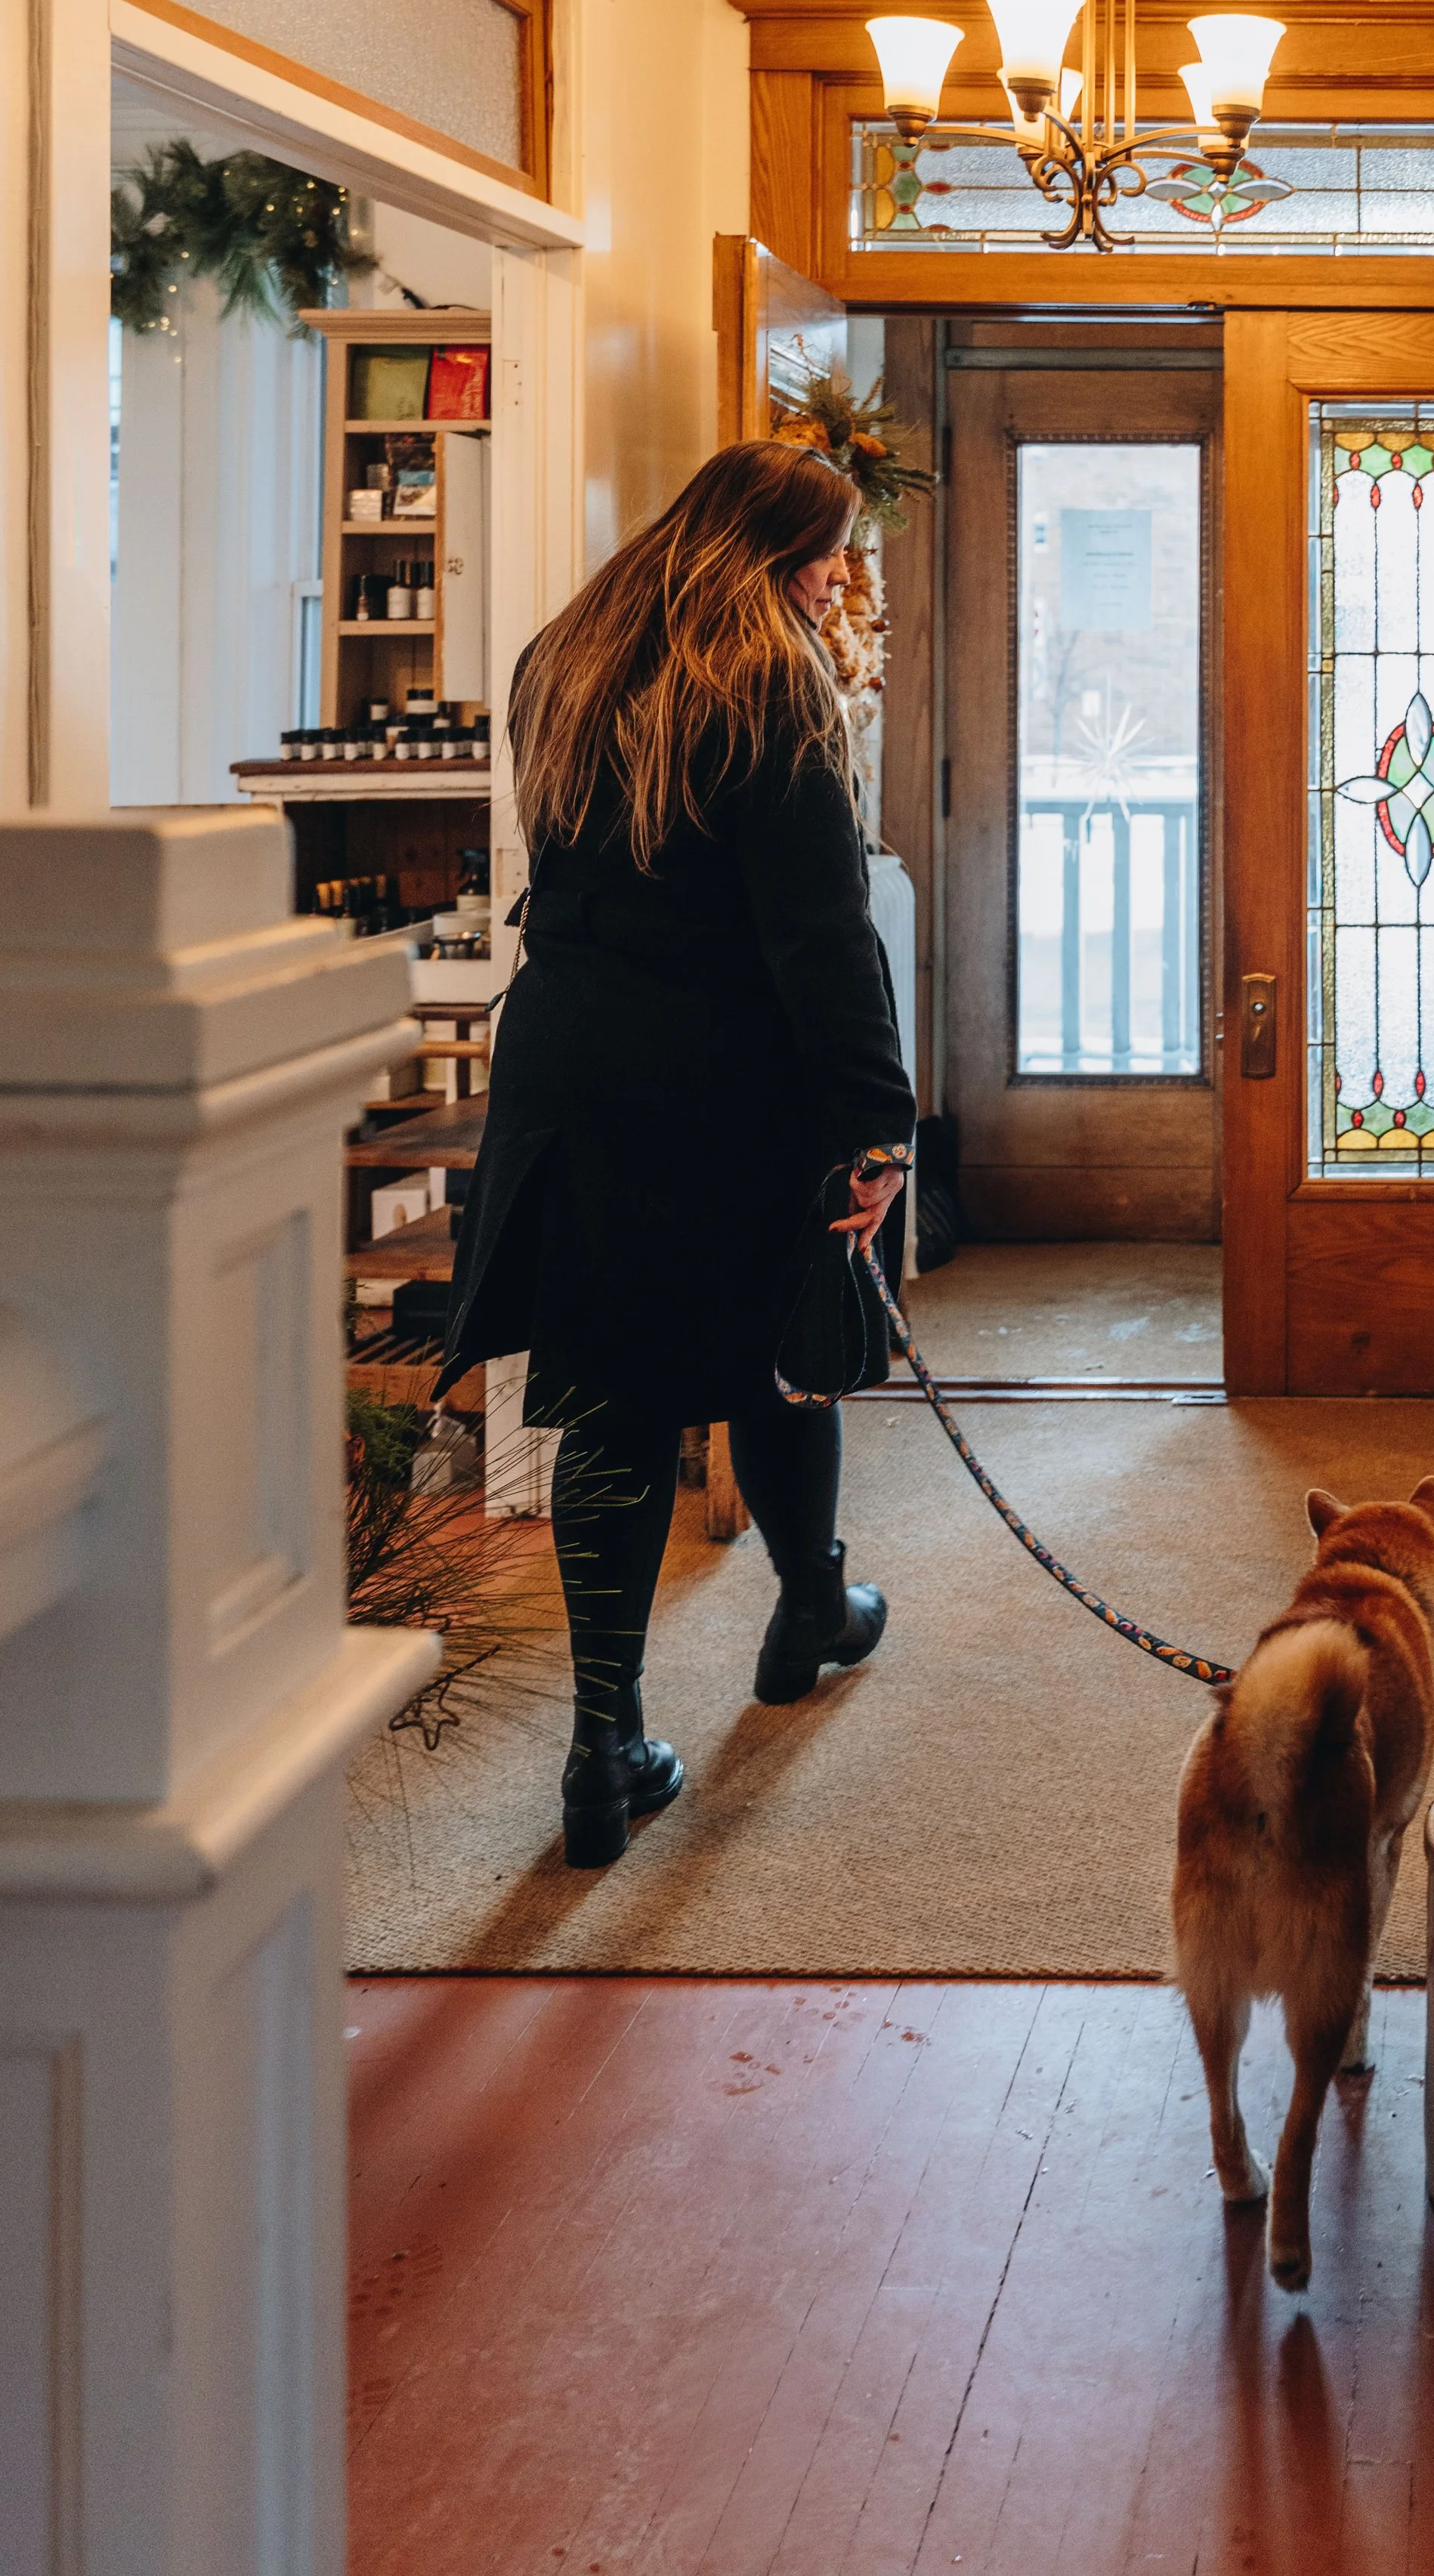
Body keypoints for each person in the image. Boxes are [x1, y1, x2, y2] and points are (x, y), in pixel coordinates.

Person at [437, 439, 916, 1867]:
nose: (840, 577)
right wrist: (874, 1121)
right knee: (784, 1347)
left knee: (610, 1395)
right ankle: (812, 1605)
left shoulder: (564, 653)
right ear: (778, 554)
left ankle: (603, 1747)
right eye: (831, 552)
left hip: (570, 1064)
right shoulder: (772, 679)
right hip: (723, 1072)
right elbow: (820, 936)